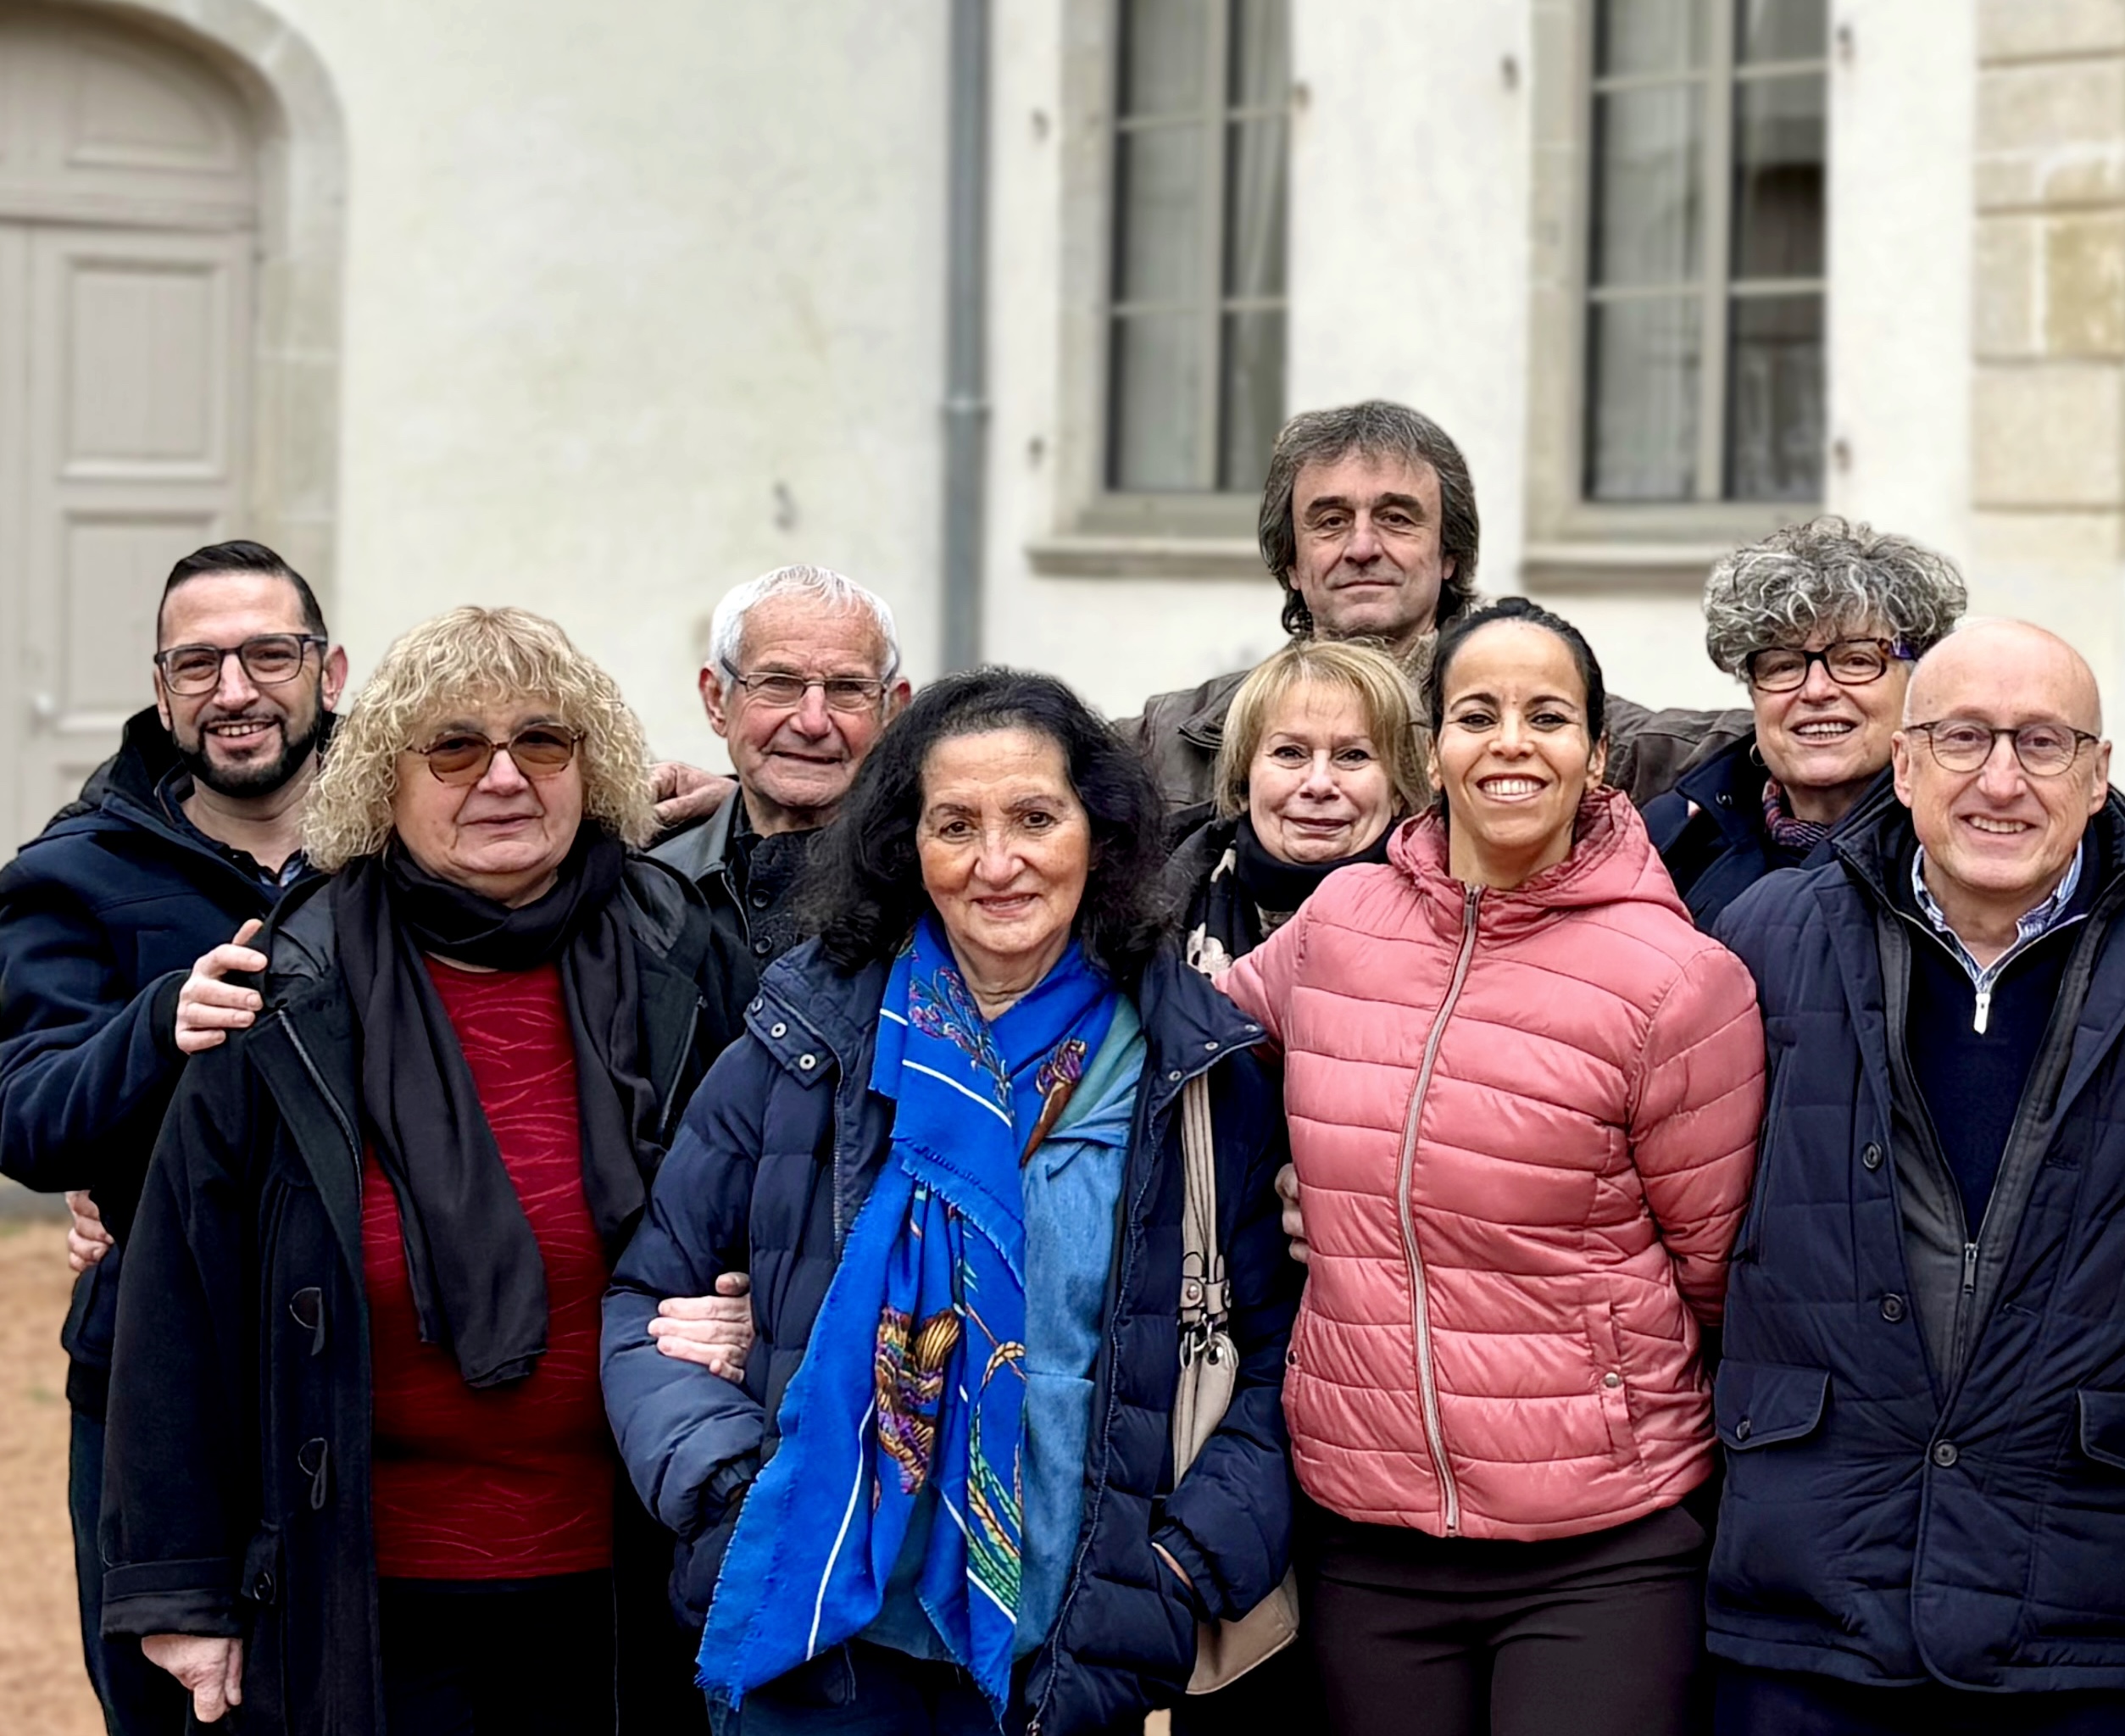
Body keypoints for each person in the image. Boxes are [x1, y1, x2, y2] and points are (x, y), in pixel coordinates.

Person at [98, 605, 754, 1735]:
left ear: (587, 767)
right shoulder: (284, 987)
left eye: (542, 743)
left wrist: (755, 1304)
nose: (503, 778)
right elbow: (178, 1305)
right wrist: (180, 1591)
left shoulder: (686, 952)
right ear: (384, 784)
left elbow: (784, 1201)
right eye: (454, 747)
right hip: (358, 1582)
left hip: (642, 1573)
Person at [609, 667, 1299, 1734]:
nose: (997, 863)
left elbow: (1284, 1363)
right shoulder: (804, 1046)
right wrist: (733, 1488)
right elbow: (648, 1307)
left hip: (1074, 1654)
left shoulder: (1196, 1070)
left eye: (1034, 817)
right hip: (823, 1646)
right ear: (904, 847)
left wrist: (1179, 1562)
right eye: (954, 824)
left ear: (1100, 836)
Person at [1704, 619, 2125, 1736]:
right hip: (1813, 1578)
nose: (2001, 780)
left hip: (2085, 1595)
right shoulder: (1762, 938)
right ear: (1905, 763)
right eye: (1963, 739)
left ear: (2101, 771)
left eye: (2043, 742)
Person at [1208, 598, 1763, 1736]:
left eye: (1547, 715)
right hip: (1367, 1530)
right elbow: (1183, 1051)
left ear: (1596, 755)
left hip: (1602, 1543)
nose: (1511, 742)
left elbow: (1719, 1275)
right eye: (1477, 713)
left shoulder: (1677, 980)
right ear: (1434, 748)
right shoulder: (1342, 921)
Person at [0, 541, 346, 1736]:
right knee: (173, 1711)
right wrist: (156, 1023)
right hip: (155, 1390)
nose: (235, 689)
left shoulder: (404, 842)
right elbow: (29, 1120)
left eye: (268, 655)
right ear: (162, 692)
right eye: (197, 664)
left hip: (362, 1373)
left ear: (329, 671)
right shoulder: (71, 875)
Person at [1131, 402, 1742, 813]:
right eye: (1330, 521)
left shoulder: (1557, 730)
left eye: (1397, 518)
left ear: (1449, 554)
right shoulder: (1177, 741)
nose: (1363, 547)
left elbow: (1752, 743)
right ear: (1291, 561)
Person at [1644, 515, 1968, 932]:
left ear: (1919, 681)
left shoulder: (1957, 850)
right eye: (1782, 665)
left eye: (1856, 660)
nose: (1816, 690)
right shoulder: (1676, 833)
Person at [651, 565, 915, 964]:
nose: (812, 722)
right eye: (778, 683)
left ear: (891, 711)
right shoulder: (642, 887)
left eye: (847, 688)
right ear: (716, 700)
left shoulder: (934, 891)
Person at [1167, 636, 1427, 976]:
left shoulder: (1451, 921)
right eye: (1290, 753)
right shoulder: (1142, 909)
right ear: (1244, 780)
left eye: (1353, 756)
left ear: (1398, 790)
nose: (1319, 784)